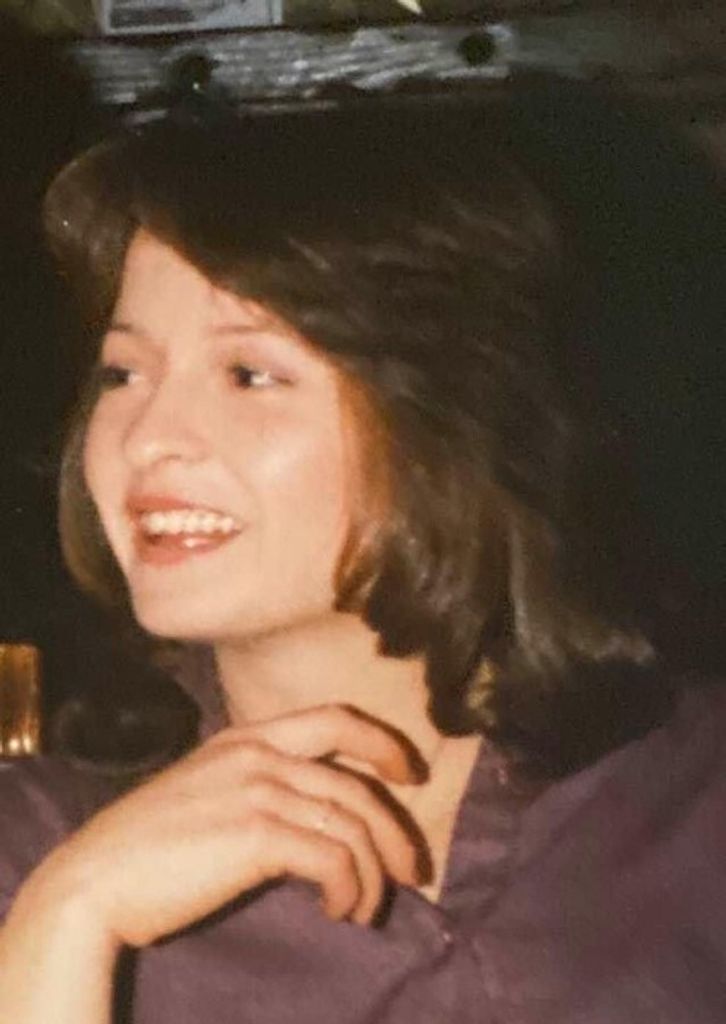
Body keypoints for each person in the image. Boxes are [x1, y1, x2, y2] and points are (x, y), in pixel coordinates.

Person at [0, 100, 724, 1024]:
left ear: (447, 420)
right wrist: (64, 926)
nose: (146, 439)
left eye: (248, 374)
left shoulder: (691, 799)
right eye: (123, 373)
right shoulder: (38, 850)